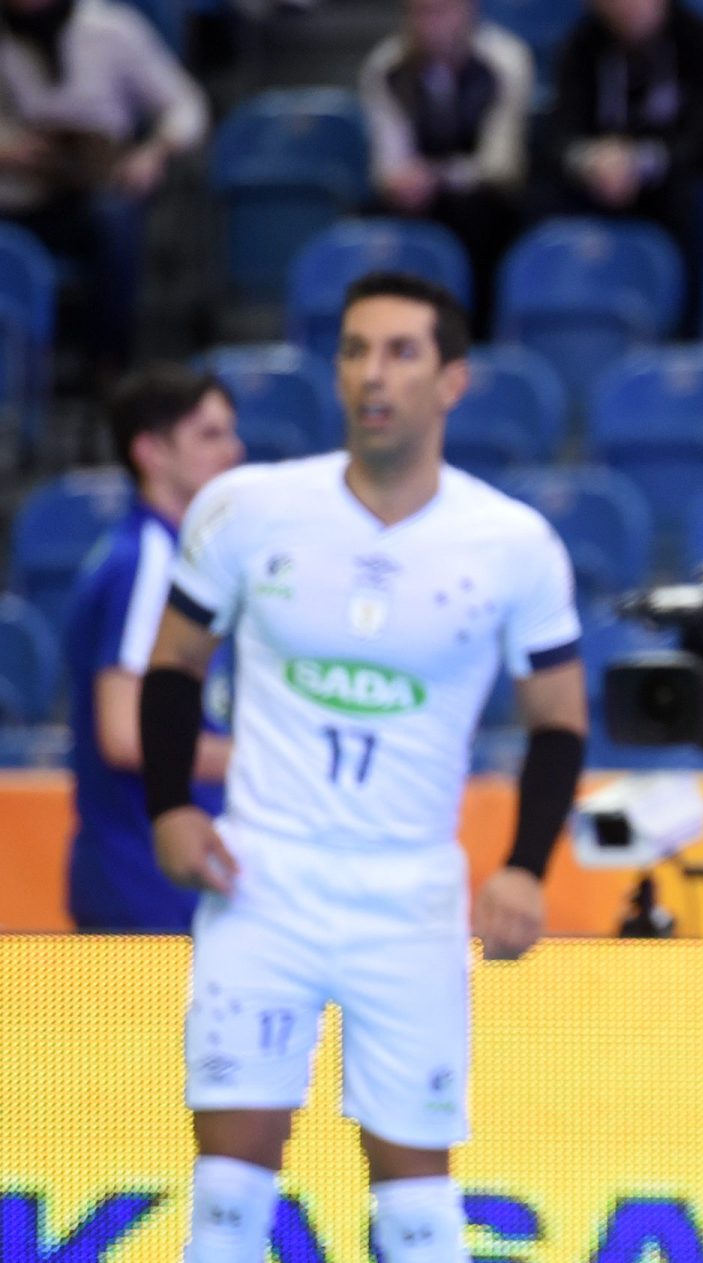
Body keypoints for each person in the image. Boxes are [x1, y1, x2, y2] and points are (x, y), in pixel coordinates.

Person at [139, 271, 587, 1262]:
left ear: (452, 381)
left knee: (421, 1215)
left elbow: (558, 720)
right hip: (260, 879)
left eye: (399, 351)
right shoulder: (246, 509)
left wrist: (525, 866)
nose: (372, 374)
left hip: (410, 895)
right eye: (353, 350)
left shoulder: (513, 544)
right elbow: (173, 663)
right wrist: (171, 805)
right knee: (225, 1206)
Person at [64, 364, 244, 932]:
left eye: (231, 432)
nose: (233, 452)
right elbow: (125, 733)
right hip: (144, 884)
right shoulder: (149, 561)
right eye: (209, 435)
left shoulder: (169, 554)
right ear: (150, 452)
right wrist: (262, 760)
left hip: (156, 881)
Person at [0, 0, 208, 379]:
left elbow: (186, 106)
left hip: (99, 185)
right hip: (19, 193)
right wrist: (9, 150)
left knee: (113, 218)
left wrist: (154, 152)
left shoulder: (110, 29)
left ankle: (107, 367)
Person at [358, 0, 534, 331]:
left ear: (468, 10)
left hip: (481, 195)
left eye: (442, 11)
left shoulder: (505, 59)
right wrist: (403, 180)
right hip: (415, 195)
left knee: (484, 213)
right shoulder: (384, 66)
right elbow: (387, 162)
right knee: (364, 221)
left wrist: (440, 177)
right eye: (421, 12)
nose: (432, 24)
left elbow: (501, 163)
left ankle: (479, 333)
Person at [540, 0, 703, 251]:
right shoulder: (580, 45)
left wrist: (641, 162)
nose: (626, 5)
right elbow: (560, 131)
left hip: (673, 174)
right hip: (600, 171)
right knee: (546, 189)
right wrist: (590, 160)